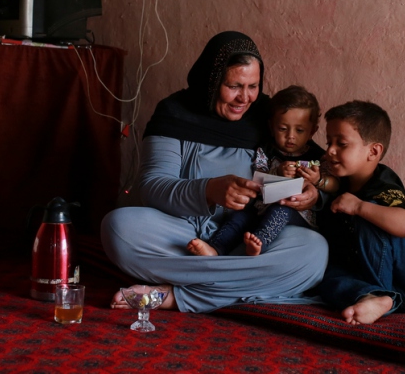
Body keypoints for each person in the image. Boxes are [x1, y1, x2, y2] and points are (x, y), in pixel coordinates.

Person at [101, 32, 328, 313]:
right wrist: (208, 190)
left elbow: (317, 163)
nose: (244, 98)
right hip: (184, 235)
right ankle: (238, 284)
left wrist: (312, 191)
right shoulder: (175, 114)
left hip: (247, 237)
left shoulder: (269, 115)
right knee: (118, 228)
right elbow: (152, 187)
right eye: (233, 86)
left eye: (253, 86)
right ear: (211, 80)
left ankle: (173, 296)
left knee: (314, 252)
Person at [316, 101, 405, 325]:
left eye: (341, 143)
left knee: (368, 217)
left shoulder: (383, 184)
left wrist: (359, 207)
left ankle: (377, 295)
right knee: (325, 278)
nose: (330, 150)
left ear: (373, 151)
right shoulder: (338, 183)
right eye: (328, 142)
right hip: (397, 288)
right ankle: (376, 298)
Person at [186, 85, 332, 256]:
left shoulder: (318, 157)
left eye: (300, 130)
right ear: (271, 126)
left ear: (312, 131)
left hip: (296, 211)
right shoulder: (266, 150)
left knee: (280, 211)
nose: (291, 136)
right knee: (239, 217)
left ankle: (259, 243)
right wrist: (277, 173)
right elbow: (257, 178)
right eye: (283, 129)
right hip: (262, 205)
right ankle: (215, 248)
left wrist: (317, 180)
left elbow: (334, 185)